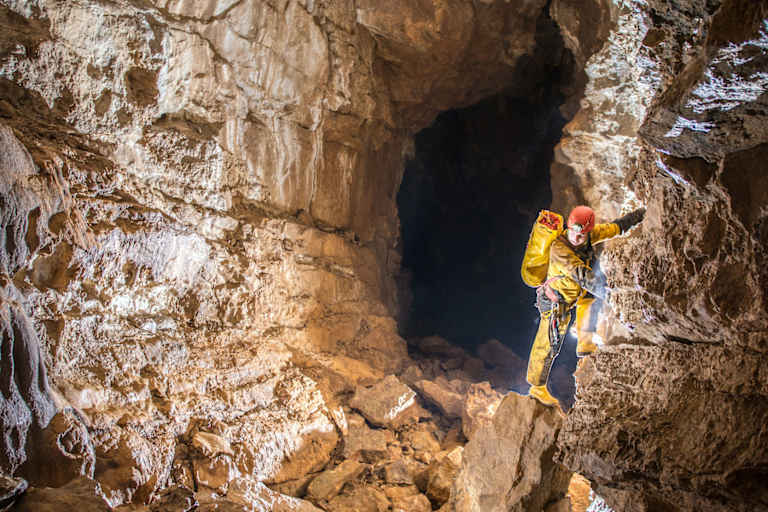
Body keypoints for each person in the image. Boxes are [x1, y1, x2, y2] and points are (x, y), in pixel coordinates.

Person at [527, 205, 646, 408]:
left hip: (576, 293)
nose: (576, 237)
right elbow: (582, 276)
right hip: (557, 300)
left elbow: (616, 228)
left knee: (589, 300)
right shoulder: (559, 248)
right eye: (573, 231)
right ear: (568, 227)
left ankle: (586, 346)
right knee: (548, 343)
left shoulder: (590, 236)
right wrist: (613, 296)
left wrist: (642, 213)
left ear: (588, 231)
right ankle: (536, 387)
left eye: (581, 234)